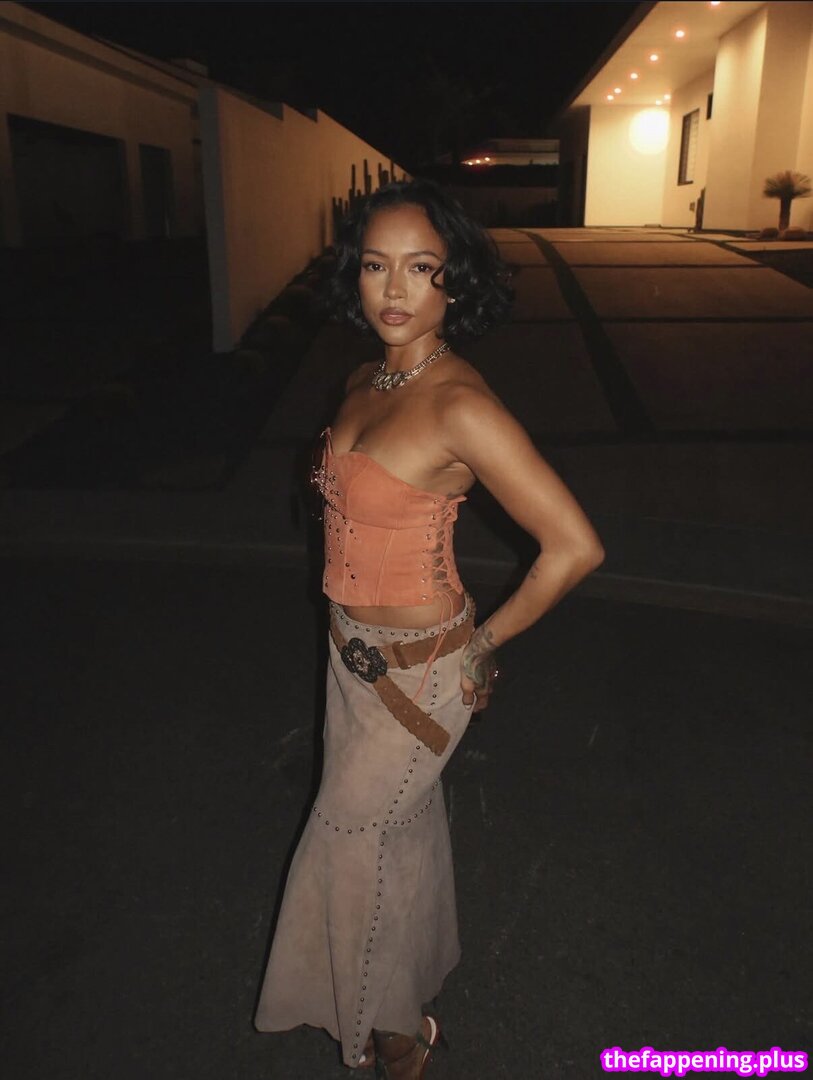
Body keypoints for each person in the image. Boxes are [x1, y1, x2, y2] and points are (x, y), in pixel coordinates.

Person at [253, 179, 605, 1078]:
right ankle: (414, 986)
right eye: (376, 266)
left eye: (420, 268)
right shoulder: (364, 378)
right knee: (395, 834)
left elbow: (573, 547)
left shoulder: (461, 407)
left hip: (421, 673)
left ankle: (394, 1036)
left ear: (456, 281)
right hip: (347, 656)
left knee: (347, 839)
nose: (394, 289)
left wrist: (482, 644)